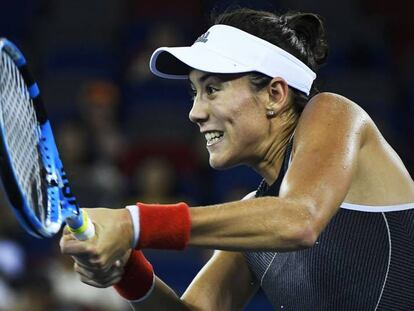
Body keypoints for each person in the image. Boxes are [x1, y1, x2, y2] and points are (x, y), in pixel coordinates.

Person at [60, 8, 414, 310]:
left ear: (275, 94)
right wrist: (128, 271)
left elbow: (299, 220)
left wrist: (132, 223)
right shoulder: (257, 216)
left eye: (212, 89)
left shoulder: (334, 111)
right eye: (194, 93)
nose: (195, 113)